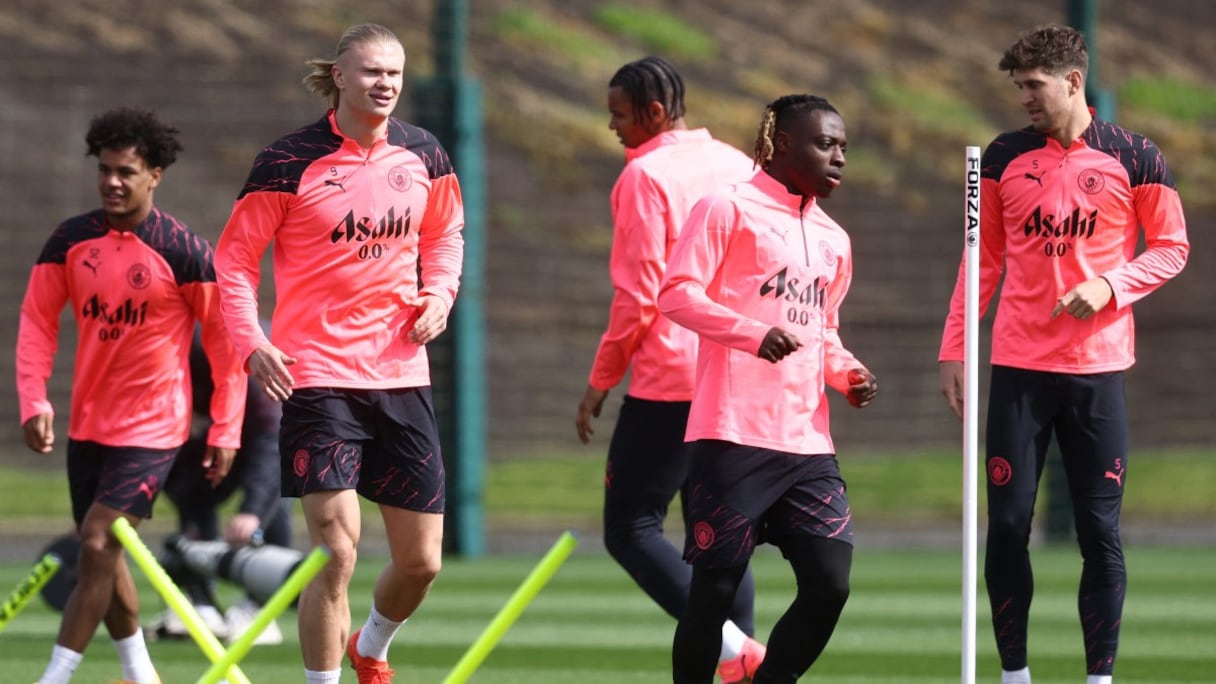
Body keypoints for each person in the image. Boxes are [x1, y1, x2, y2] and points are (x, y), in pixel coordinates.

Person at [938, 25, 1189, 684]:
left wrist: (1110, 284)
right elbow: (981, 260)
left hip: (1098, 371)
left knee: (1099, 532)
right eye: (1018, 86)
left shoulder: (1136, 157)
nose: (1023, 97)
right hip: (1019, 371)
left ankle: (1098, 678)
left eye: (1033, 85)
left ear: (1072, 81)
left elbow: (1171, 246)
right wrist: (955, 347)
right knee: (1008, 524)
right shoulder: (1001, 158)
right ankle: (1014, 675)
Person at [214, 22, 464, 684]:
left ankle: (372, 647)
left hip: (400, 375)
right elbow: (234, 262)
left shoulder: (425, 153)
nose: (385, 84)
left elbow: (446, 234)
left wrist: (439, 295)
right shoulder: (287, 161)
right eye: (372, 72)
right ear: (340, 77)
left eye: (395, 73)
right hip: (316, 377)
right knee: (335, 551)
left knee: (422, 563)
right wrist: (253, 344)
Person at [16, 107, 247, 684]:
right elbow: (37, 323)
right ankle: (142, 676)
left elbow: (225, 347)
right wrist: (33, 400)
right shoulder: (69, 242)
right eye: (105, 170)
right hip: (87, 427)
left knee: (95, 540)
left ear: (155, 176)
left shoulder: (184, 251)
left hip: (153, 430)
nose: (113, 182)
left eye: (126, 171)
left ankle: (54, 676)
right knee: (105, 556)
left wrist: (224, 428)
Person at [658, 94, 878, 684]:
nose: (838, 157)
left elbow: (823, 329)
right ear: (782, 144)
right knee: (715, 592)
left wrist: (847, 373)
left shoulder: (835, 239)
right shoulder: (726, 208)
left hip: (808, 444)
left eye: (843, 148)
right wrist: (752, 333)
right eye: (825, 144)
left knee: (830, 583)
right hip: (733, 437)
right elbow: (676, 293)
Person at [573, 56, 764, 682]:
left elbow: (638, 297)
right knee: (721, 536)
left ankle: (735, 647)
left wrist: (602, 381)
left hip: (673, 375)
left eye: (619, 115)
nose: (612, 128)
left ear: (654, 114)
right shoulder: (739, 164)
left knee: (630, 526)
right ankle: (745, 657)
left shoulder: (644, 176)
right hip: (738, 369)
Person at [154, 323, 294, 646]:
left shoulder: (245, 357)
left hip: (277, 430)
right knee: (189, 488)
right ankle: (201, 605)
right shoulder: (170, 353)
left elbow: (271, 440)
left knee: (279, 495)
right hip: (222, 434)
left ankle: (260, 609)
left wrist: (252, 511)